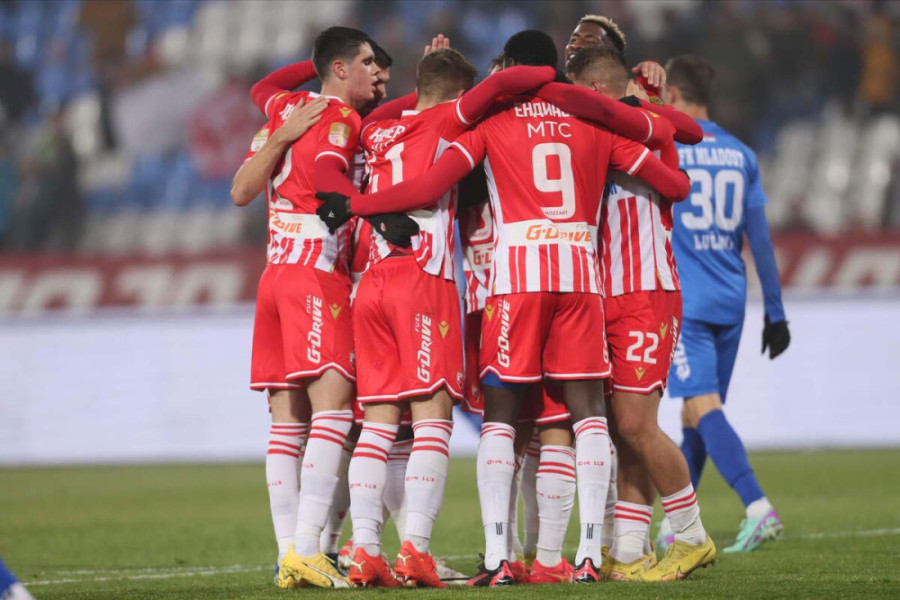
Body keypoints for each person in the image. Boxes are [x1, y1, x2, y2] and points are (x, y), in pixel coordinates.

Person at [316, 29, 692, 587]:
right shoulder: (596, 123)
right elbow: (675, 182)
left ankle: (498, 558)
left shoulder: (490, 124)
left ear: (511, 69)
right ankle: (585, 556)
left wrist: (359, 205)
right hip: (580, 278)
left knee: (501, 418)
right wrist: (642, 108)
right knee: (584, 415)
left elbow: (429, 184)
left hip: (515, 281)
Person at [346, 47, 556, 589]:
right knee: (433, 418)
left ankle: (365, 549)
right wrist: (532, 78)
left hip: (370, 282)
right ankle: (415, 548)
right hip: (422, 279)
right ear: (462, 96)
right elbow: (516, 81)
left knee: (378, 423)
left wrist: (427, 79)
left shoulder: (378, 130)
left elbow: (398, 106)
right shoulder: (451, 119)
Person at [231, 25, 381, 589]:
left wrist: (284, 130)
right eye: (367, 62)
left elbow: (242, 191)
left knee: (287, 420)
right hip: (314, 273)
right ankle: (309, 547)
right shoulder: (343, 121)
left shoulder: (283, 109)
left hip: (274, 273)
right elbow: (327, 183)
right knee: (334, 409)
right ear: (340, 69)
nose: (377, 73)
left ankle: (287, 557)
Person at [658, 54, 790, 554]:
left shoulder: (668, 148)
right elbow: (761, 241)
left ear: (673, 96)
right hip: (732, 301)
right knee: (696, 415)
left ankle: (758, 507)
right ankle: (677, 525)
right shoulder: (742, 154)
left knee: (701, 407)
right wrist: (776, 313)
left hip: (687, 302)